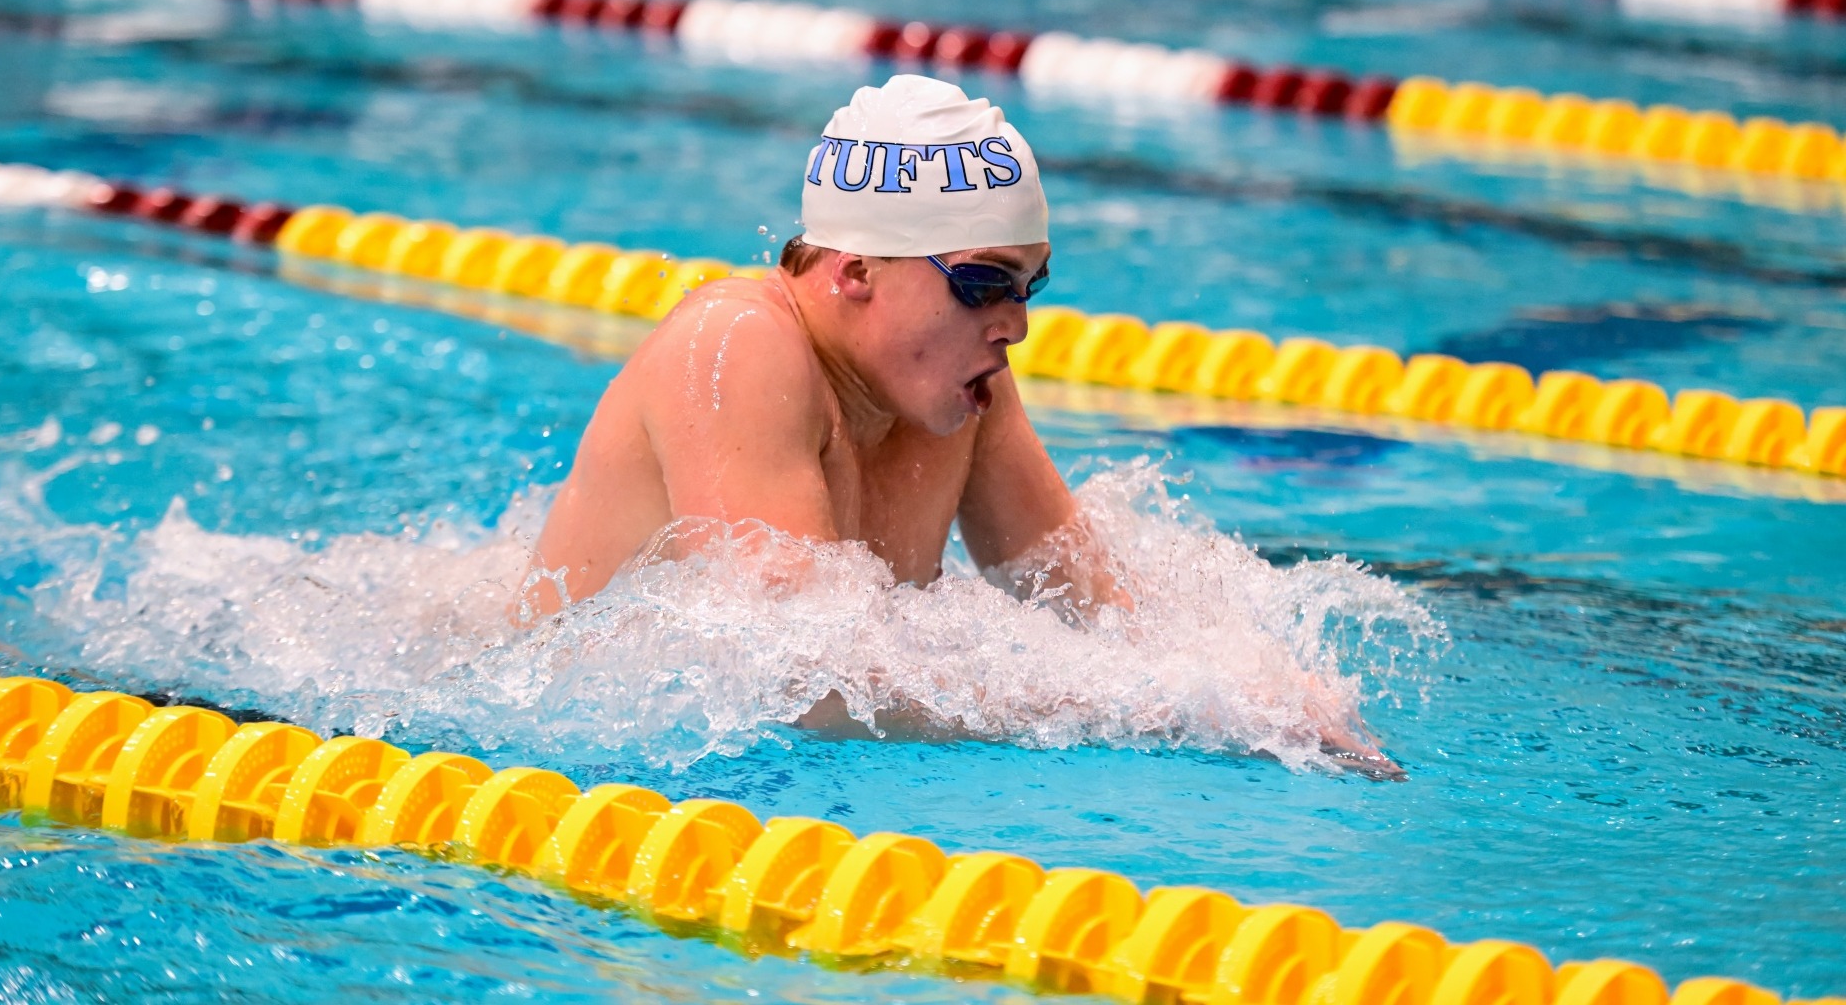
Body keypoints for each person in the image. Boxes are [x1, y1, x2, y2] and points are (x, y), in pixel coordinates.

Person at [529, 74, 1400, 776]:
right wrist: (1147, 702)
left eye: (1030, 285)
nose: (1016, 324)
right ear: (856, 269)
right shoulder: (737, 345)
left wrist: (1260, 689)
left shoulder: (957, 390)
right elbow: (801, 679)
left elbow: (1085, 593)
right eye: (985, 283)